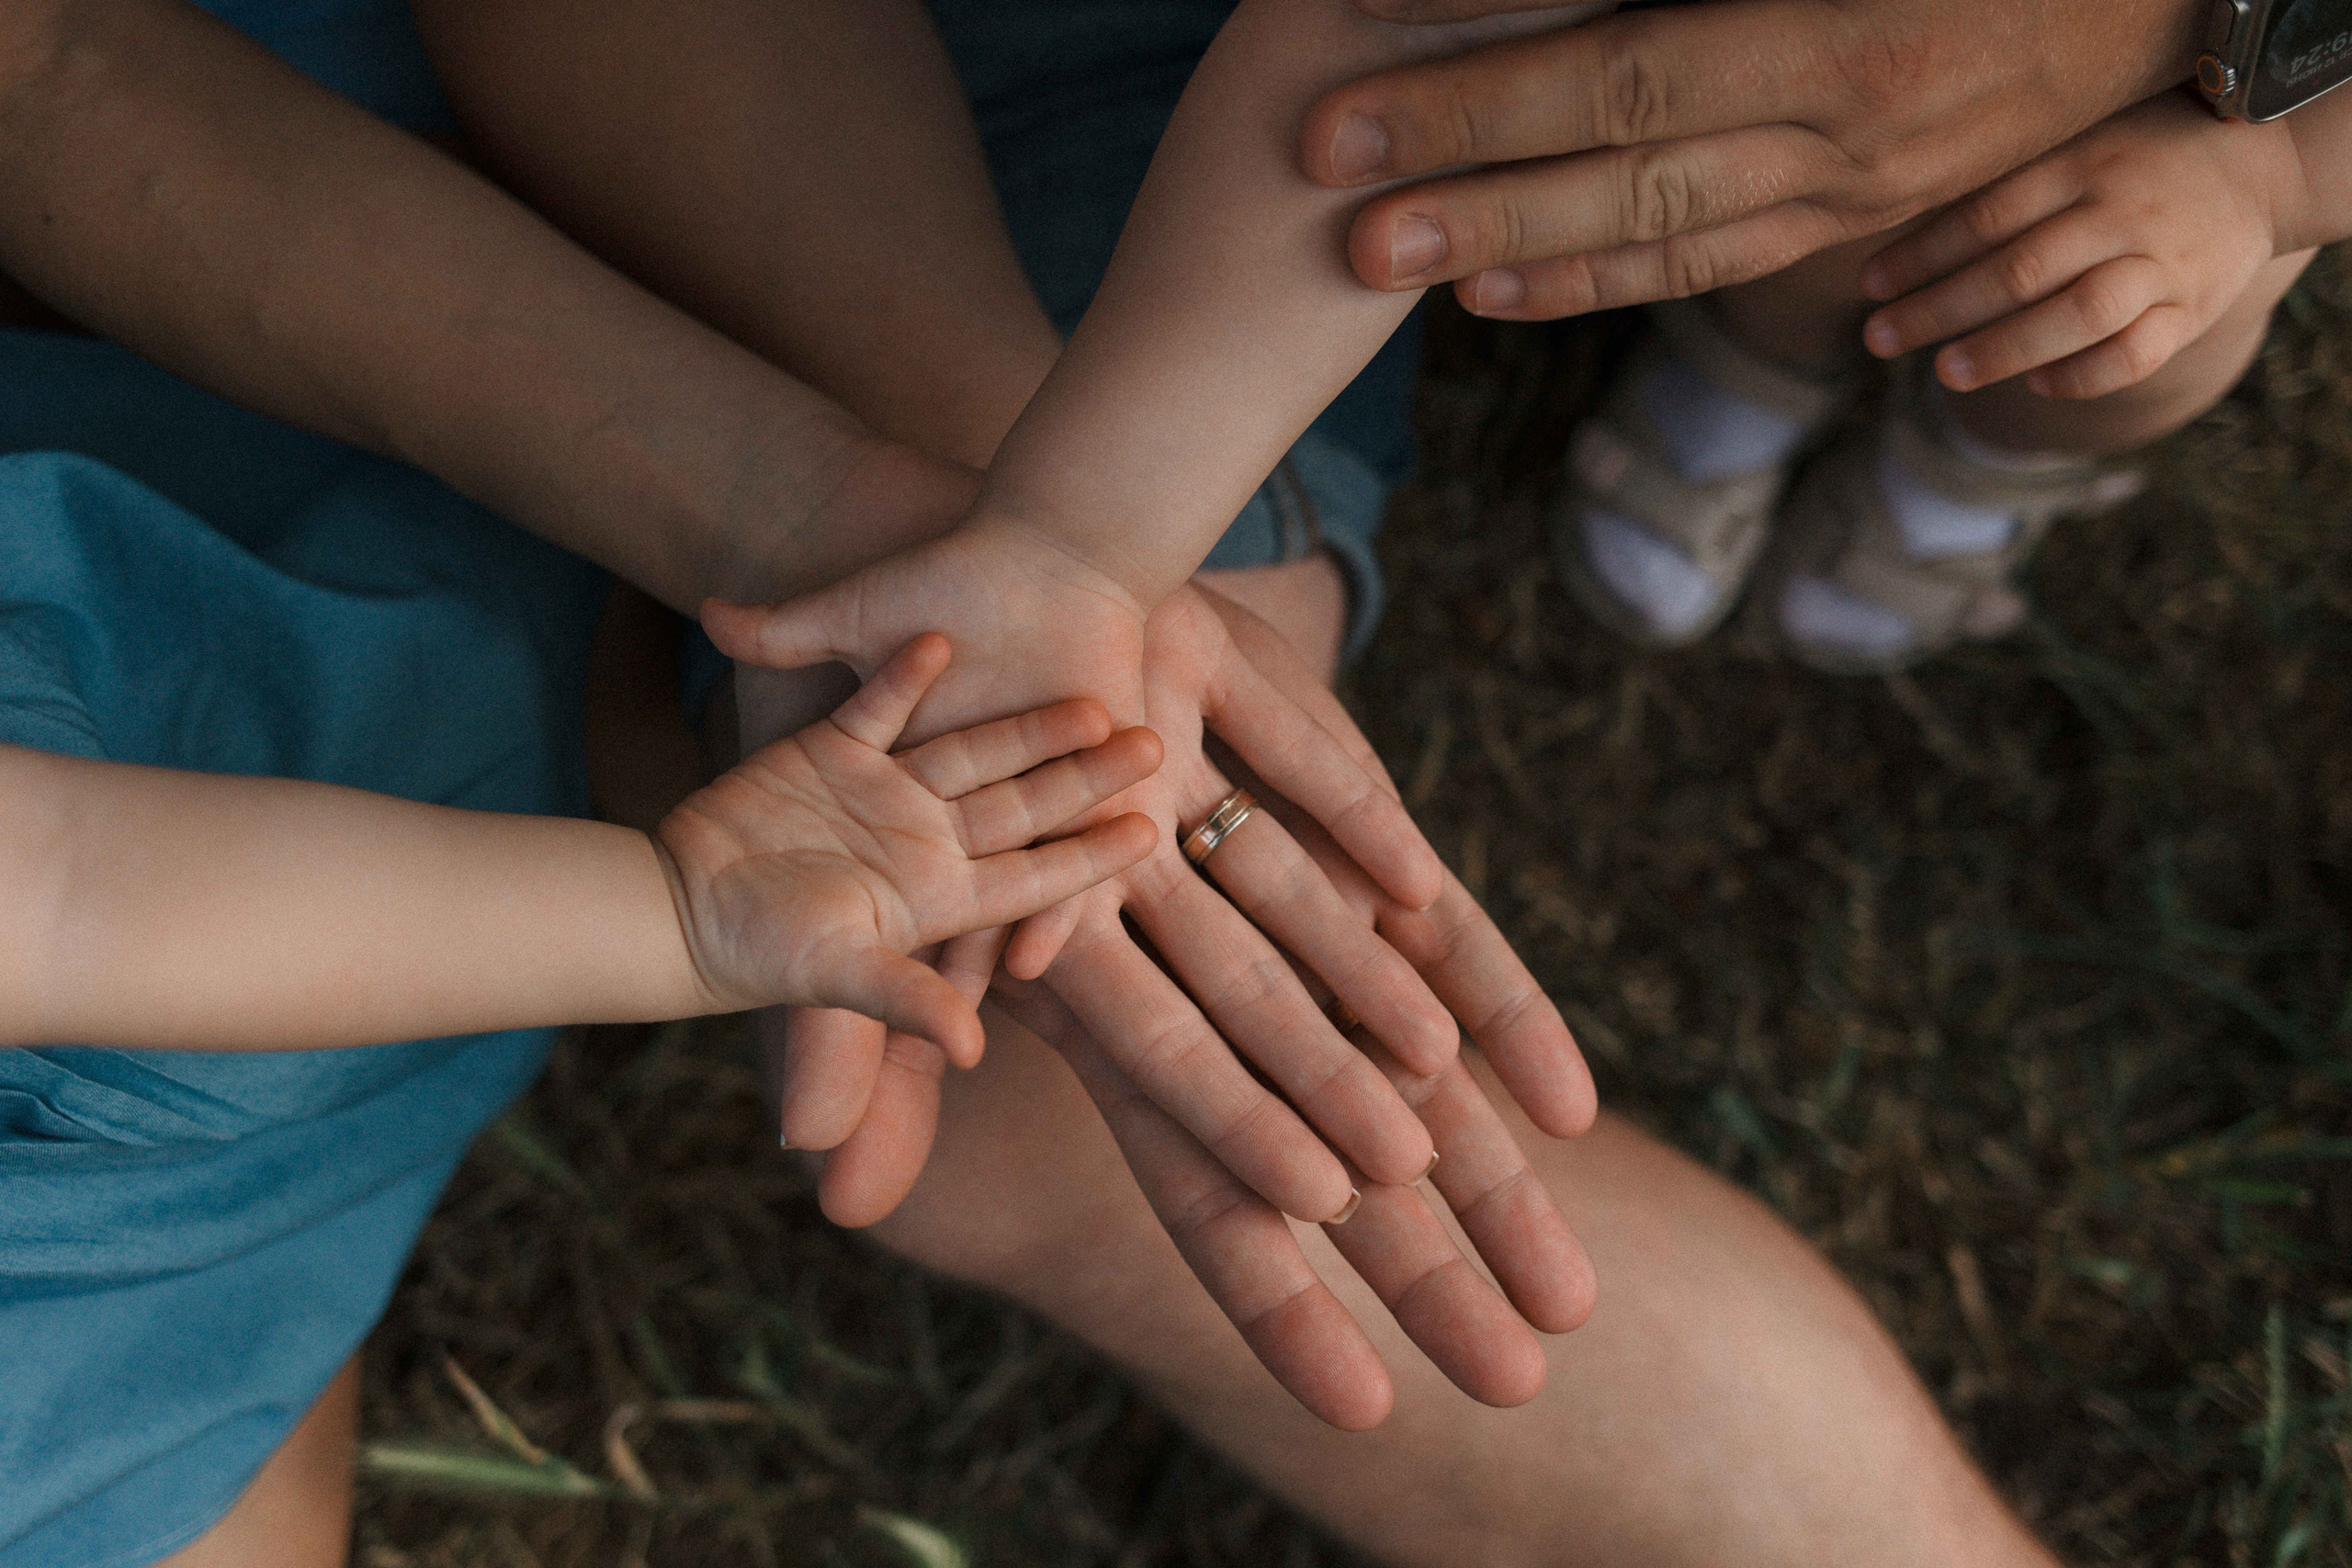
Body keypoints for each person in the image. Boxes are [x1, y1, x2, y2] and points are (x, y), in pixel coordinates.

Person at [432, 0, 2075, 1562]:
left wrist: (1064, 544)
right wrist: (1053, 543)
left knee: (1046, 1041)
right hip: (856, 181)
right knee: (1048, 1014)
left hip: (1174, 188)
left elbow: (1410, 47)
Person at [0, 3, 1495, 1564]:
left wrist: (686, 907)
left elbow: (64, 892)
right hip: (393, 826)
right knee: (1092, 1025)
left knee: (1086, 1034)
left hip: (370, 505)